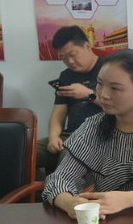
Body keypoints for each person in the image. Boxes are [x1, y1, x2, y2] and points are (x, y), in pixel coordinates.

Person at [42, 49, 133, 218]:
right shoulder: (93, 127)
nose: (103, 94)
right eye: (99, 84)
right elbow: (59, 180)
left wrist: (127, 200)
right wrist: (70, 203)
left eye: (115, 88)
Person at [37, 26, 103, 176]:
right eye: (63, 58)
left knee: (68, 155)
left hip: (98, 136)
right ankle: (37, 189)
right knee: (22, 152)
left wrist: (88, 94)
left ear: (87, 46)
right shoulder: (66, 76)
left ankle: (59, 189)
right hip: (69, 135)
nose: (70, 61)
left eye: (73, 55)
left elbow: (120, 106)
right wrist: (53, 137)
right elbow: (58, 113)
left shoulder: (109, 70)